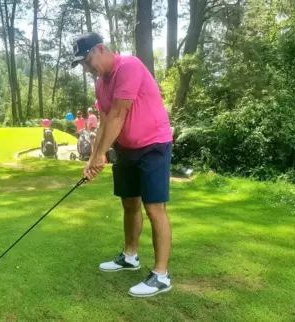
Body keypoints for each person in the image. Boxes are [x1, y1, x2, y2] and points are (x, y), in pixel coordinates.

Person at [71, 32, 173, 297]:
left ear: (101, 48)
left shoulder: (129, 66)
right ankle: (130, 256)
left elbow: (119, 113)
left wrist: (102, 155)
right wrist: (93, 157)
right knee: (129, 203)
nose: (87, 67)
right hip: (127, 148)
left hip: (154, 145)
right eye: (82, 64)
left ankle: (161, 276)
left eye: (87, 59)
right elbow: (104, 123)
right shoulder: (99, 83)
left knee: (154, 209)